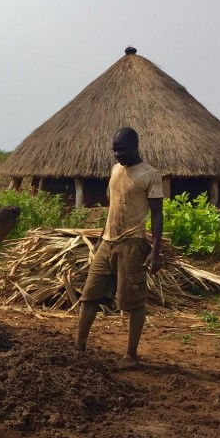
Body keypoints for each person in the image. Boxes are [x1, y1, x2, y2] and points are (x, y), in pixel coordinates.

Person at [75, 127, 164, 369]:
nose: (117, 155)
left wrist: (155, 251)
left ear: (136, 146)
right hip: (107, 242)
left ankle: (131, 356)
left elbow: (157, 215)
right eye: (114, 150)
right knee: (89, 296)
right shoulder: (115, 170)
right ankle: (78, 348)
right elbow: (114, 206)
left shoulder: (150, 175)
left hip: (133, 243)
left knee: (133, 302)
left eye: (121, 150)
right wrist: (101, 237)